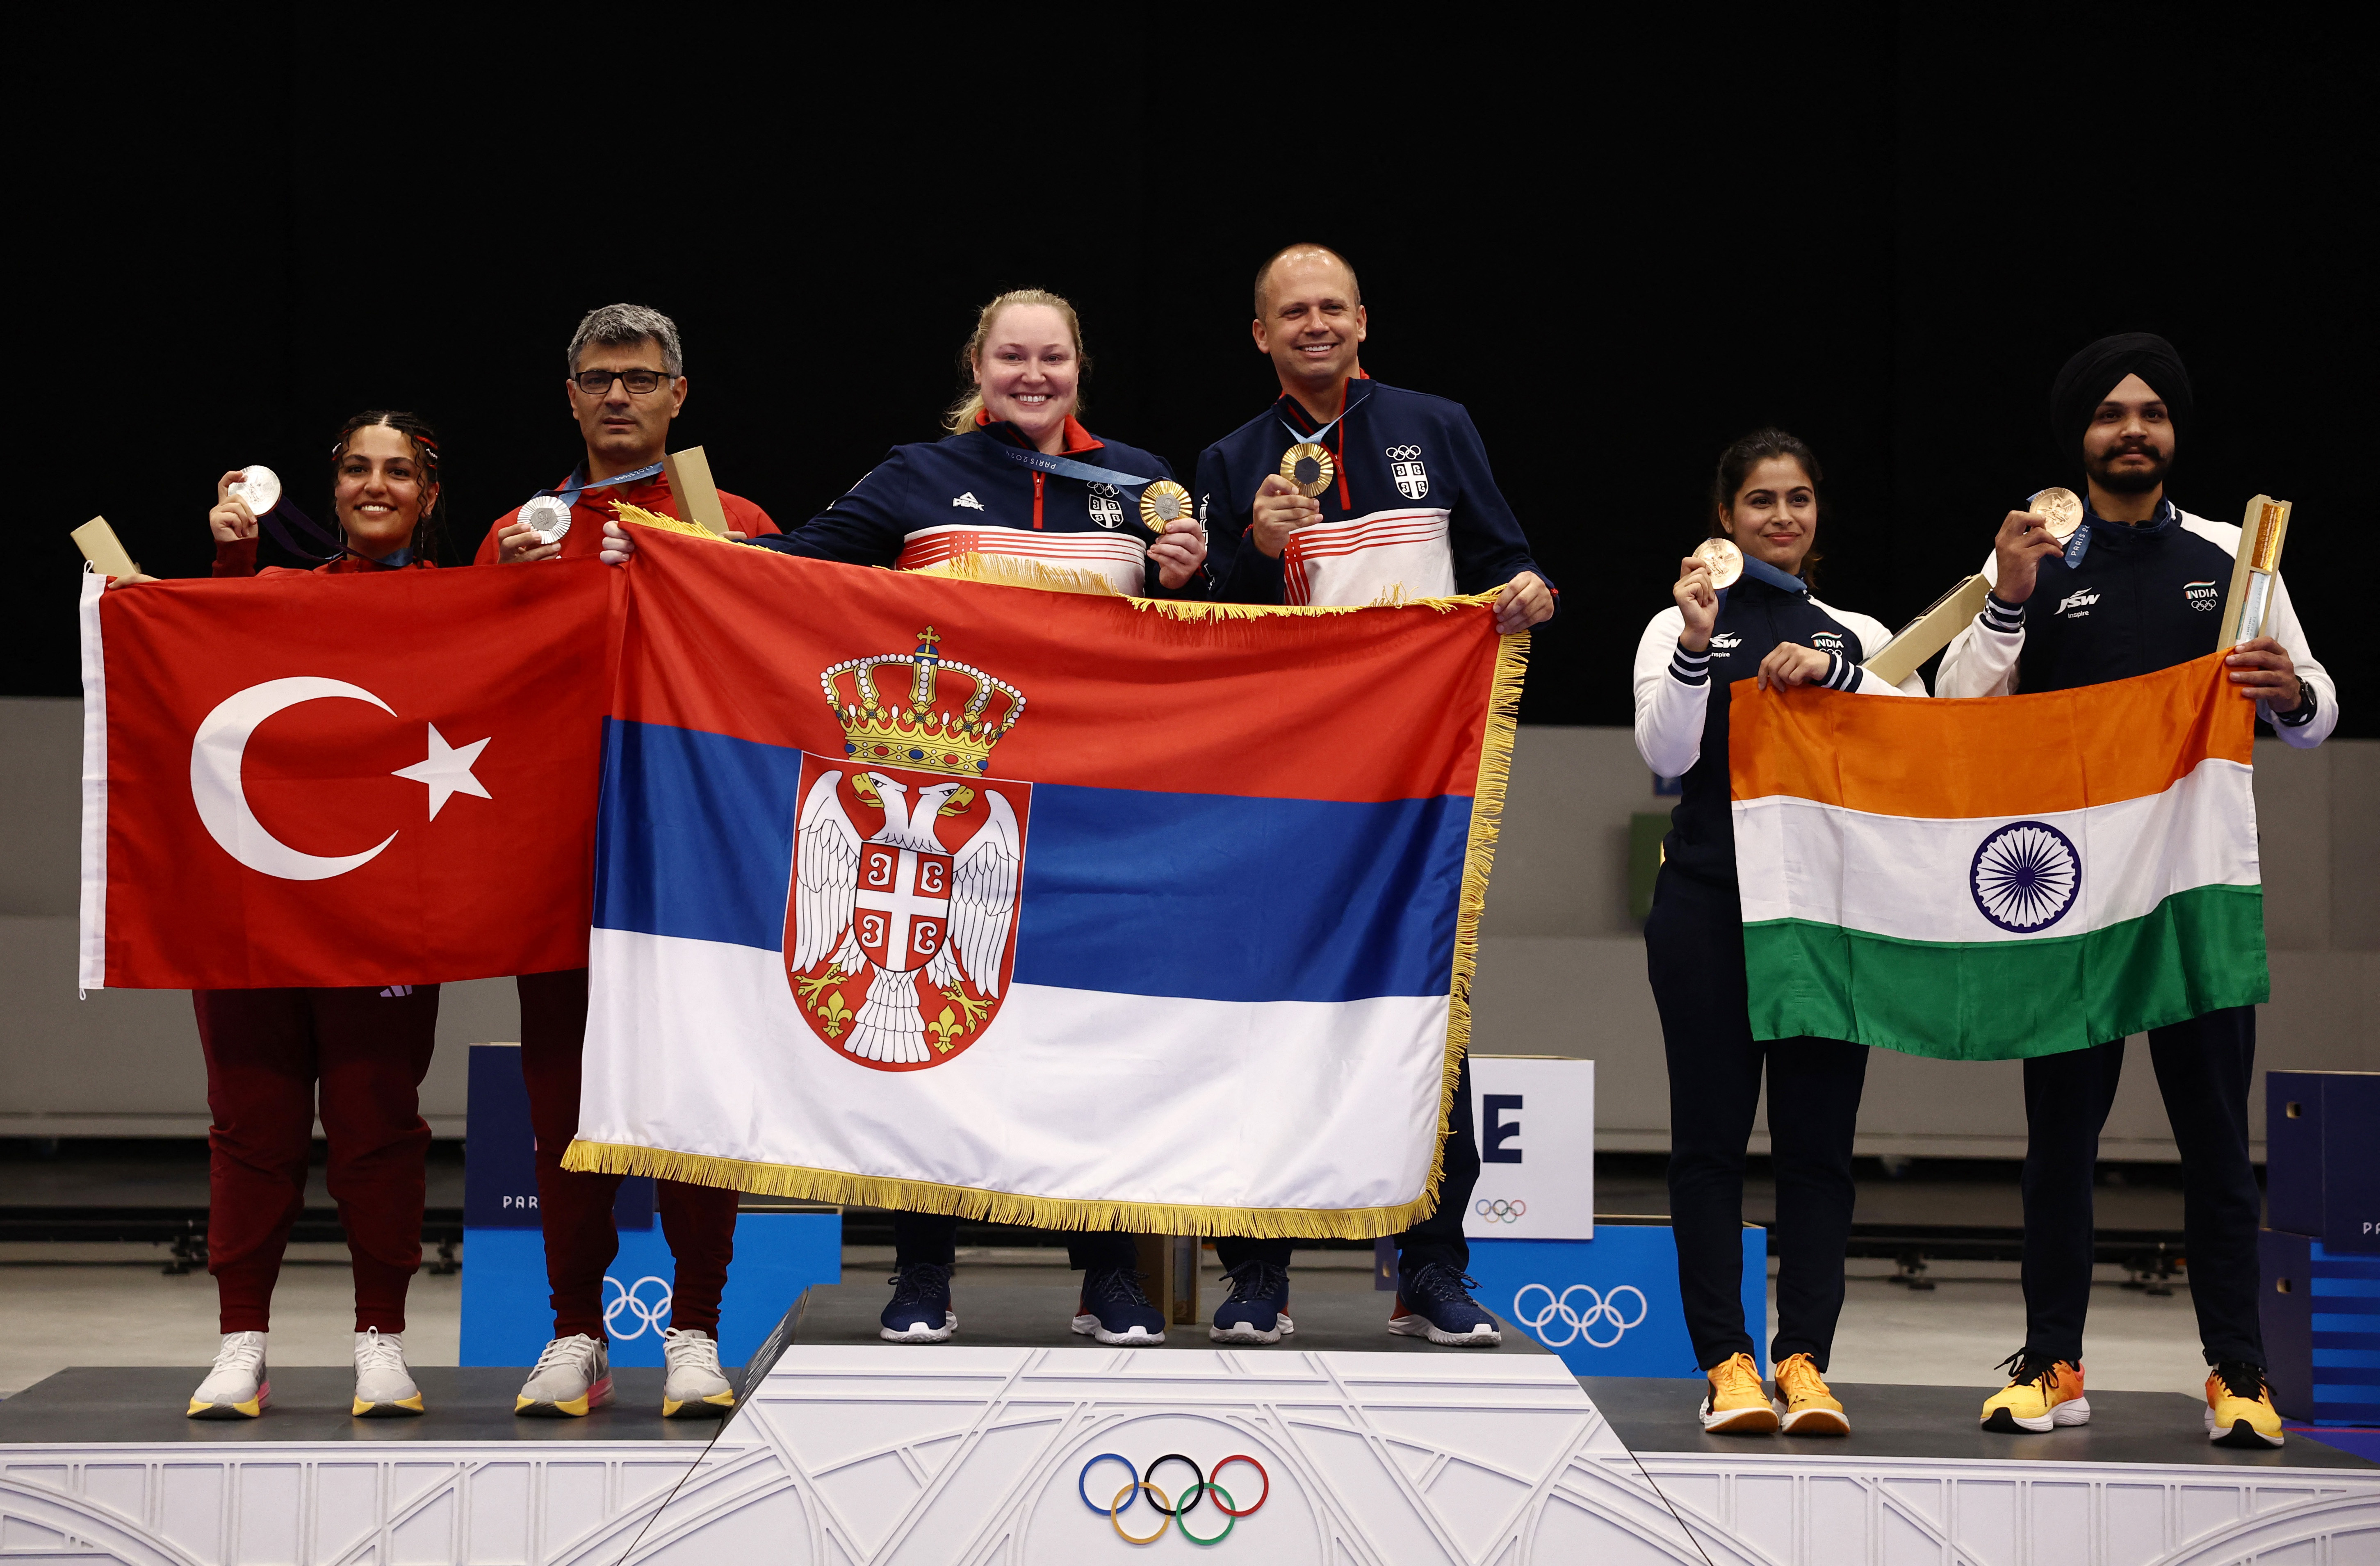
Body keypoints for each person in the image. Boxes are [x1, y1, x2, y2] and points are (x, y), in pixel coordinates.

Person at [601, 287, 1207, 1346]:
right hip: (952, 825)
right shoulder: (918, 476)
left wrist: (1204, 572)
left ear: (1079, 367)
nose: (1032, 374)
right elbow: (797, 562)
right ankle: (922, 1269)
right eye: (1011, 355)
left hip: (1096, 822)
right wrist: (664, 552)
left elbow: (1205, 642)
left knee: (1091, 1047)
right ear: (977, 364)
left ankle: (1107, 1270)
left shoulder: (1140, 486)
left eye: (1052, 357)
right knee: (931, 1044)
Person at [1938, 333, 2337, 1449]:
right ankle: (2051, 1361)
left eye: (2149, 412)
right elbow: (1961, 704)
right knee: (2057, 1143)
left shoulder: (2235, 559)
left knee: (2215, 1143)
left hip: (2193, 898)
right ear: (2079, 437)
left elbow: (2314, 711)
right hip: (2066, 904)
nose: (2131, 429)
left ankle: (2237, 1371)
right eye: (2110, 413)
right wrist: (2008, 598)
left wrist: (2291, 690)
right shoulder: (2032, 558)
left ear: (2172, 431)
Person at [1192, 243, 1556, 1350]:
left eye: (1330, 308)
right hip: (1280, 796)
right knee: (1266, 1026)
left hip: (1413, 791)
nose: (1313, 325)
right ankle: (1258, 1270)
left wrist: (1527, 592)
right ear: (1260, 334)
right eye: (1290, 312)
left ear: (1362, 322)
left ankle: (1432, 1272)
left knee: (1429, 1026)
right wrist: (1256, 551)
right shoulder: (1229, 458)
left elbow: (1504, 558)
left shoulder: (1434, 425)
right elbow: (1202, 628)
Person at [492, 305, 777, 1420]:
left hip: (695, 872)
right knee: (566, 1107)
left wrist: (731, 569)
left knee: (694, 1101)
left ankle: (696, 1330)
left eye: (640, 378)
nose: (619, 395)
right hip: (560, 864)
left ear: (678, 395)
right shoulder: (521, 529)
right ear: (570, 396)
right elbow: (471, 698)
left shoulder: (734, 517)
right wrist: (502, 587)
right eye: (599, 379)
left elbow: (783, 679)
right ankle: (575, 1333)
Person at [1633, 428, 1922, 1435]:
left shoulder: (1858, 629)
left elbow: (1918, 731)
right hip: (1709, 907)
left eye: (1798, 499)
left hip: (1828, 916)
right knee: (1709, 1145)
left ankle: (1804, 1360)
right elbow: (1663, 752)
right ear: (1726, 514)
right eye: (1761, 501)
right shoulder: (1679, 620)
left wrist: (1843, 668)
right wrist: (1697, 640)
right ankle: (1727, 1363)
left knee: (1817, 1151)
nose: (1783, 518)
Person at [166, 412, 449, 1418]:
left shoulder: (464, 611)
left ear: (427, 495)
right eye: (359, 470)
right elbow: (200, 652)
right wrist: (229, 556)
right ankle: (242, 1341)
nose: (378, 486)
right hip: (256, 906)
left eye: (399, 472)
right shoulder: (276, 596)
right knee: (253, 1129)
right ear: (331, 490)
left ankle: (382, 1341)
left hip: (385, 915)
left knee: (377, 1132)